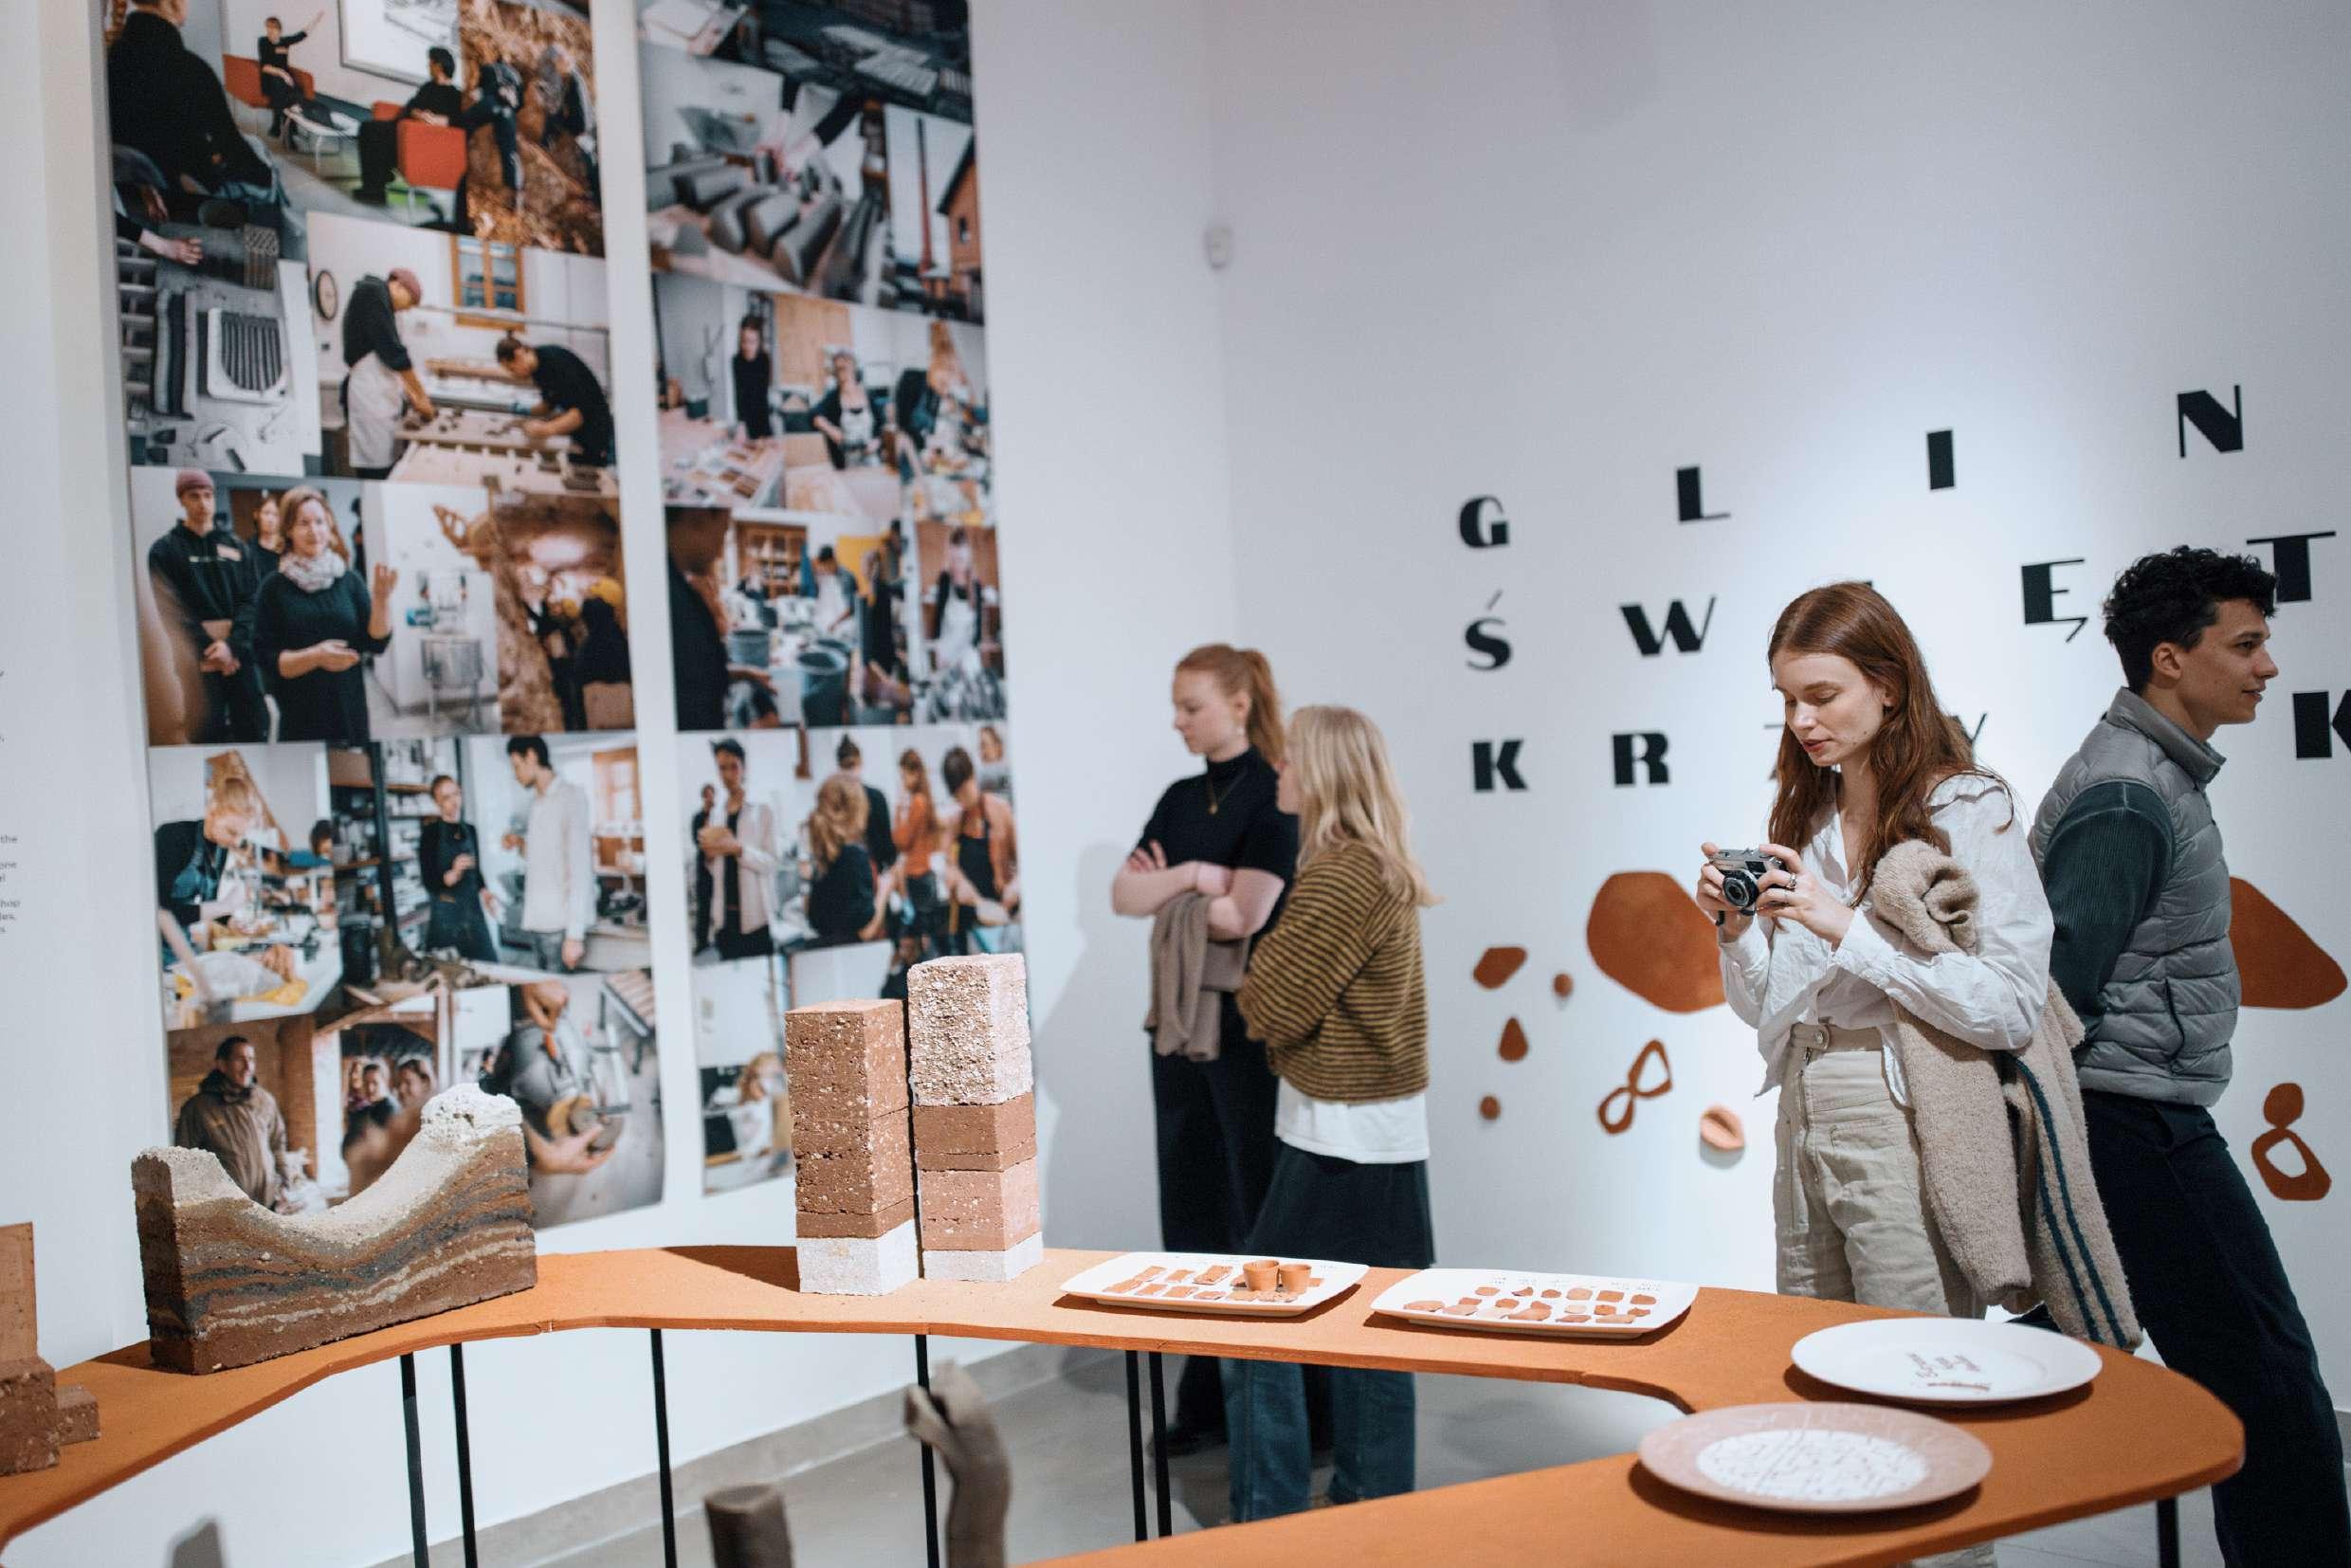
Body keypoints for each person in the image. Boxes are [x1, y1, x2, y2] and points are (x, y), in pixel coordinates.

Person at [1699, 584, 2050, 1568]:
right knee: (1818, 1375)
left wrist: (1843, 926)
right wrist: (1735, 930)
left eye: (1821, 695)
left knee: (1916, 1376)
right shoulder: (1810, 809)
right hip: (1805, 1094)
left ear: (1888, 686)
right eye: (1786, 700)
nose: (1800, 721)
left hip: (1903, 1104)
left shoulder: (1962, 805)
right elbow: (1772, 1008)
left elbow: (2010, 1004)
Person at [2032, 549, 2345, 1566]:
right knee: (2270, 1384)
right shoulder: (2129, 790)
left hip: (2143, 1113)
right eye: (2245, 644)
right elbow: (2059, 990)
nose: (2266, 666)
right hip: (2132, 1121)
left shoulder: (2157, 773)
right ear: (2169, 658)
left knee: (2251, 1375)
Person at [1227, 704, 1436, 1521]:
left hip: (1340, 1138)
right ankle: (1371, 1511)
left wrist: (1257, 981)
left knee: (1257, 1321)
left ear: (1319, 772)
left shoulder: (1344, 874)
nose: (1278, 772)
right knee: (1371, 1328)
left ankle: (1272, 1517)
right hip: (1372, 1134)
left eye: (1288, 761)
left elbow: (1271, 1001)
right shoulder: (1369, 864)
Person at [1109, 644, 1296, 1453]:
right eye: (1177, 707)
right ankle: (1206, 1407)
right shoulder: (1181, 799)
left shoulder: (1277, 790)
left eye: (1192, 707)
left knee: (1255, 1215)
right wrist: (1194, 873)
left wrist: (1177, 892)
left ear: (1239, 705)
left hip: (1247, 1032)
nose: (1178, 721)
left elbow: (1244, 916)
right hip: (1180, 1031)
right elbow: (1124, 894)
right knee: (1188, 1214)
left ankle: (1281, 1407)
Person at [252, 487, 395, 741]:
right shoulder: (273, 587)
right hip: (301, 717)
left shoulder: (349, 580)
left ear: (329, 525)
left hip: (350, 713)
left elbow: (376, 643)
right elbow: (267, 661)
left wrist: (381, 600)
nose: (314, 531)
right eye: (303, 523)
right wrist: (316, 657)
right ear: (288, 530)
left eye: (319, 521)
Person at [107, 0, 277, 207]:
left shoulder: (111, 57)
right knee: (266, 167)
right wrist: (266, 175)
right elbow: (234, 152)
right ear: (172, 2)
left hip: (129, 197)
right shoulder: (192, 70)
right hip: (186, 199)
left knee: (254, 144)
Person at [147, 469, 268, 743]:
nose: (203, 503)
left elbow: (252, 600)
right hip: (195, 658)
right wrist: (212, 649)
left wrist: (232, 646)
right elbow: (171, 611)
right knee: (205, 731)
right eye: (194, 496)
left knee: (253, 726)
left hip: (239, 656)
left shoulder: (237, 547)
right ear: (181, 500)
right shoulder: (164, 551)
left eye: (207, 495)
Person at [665, 507, 776, 732]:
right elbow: (692, 713)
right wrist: (750, 737)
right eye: (722, 534)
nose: (719, 553)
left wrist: (745, 673)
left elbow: (697, 673)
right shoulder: (671, 602)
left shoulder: (679, 587)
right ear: (698, 517)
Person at [502, 736, 591, 973]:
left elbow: (580, 869)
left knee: (557, 989)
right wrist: (520, 843)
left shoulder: (571, 796)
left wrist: (575, 935)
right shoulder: (536, 804)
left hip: (558, 927)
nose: (515, 774)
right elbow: (540, 858)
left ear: (532, 757)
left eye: (516, 766)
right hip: (536, 922)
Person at [173, 1035, 291, 1209]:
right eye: (239, 1060)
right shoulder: (198, 1108)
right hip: (226, 1213)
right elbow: (184, 1163)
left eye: (251, 1059)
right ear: (222, 1065)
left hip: (268, 1207)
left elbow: (277, 1144)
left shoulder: (264, 1100)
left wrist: (285, 1183)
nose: (248, 1067)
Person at [342, 269, 435, 480]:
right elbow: (395, 355)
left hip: (382, 398)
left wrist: (411, 395)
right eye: (410, 302)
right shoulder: (371, 291)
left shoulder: (383, 304)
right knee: (375, 469)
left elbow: (391, 360)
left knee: (388, 464)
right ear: (398, 285)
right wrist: (422, 398)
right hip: (370, 399)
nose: (408, 309)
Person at [697, 739, 778, 959]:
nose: (728, 774)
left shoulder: (762, 808)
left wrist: (739, 849)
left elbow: (772, 862)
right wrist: (710, 856)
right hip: (725, 918)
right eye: (722, 768)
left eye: (733, 767)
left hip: (756, 918)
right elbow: (715, 869)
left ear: (744, 767)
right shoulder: (717, 813)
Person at [355, 46, 462, 204]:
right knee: (368, 128)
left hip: (423, 139)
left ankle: (377, 185)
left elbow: (457, 120)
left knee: (375, 132)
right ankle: (375, 184)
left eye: (430, 63)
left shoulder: (455, 95)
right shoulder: (428, 87)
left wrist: (436, 120)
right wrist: (418, 114)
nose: (428, 66)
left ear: (439, 66)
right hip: (405, 129)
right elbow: (411, 106)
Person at [155, 775, 262, 932]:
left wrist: (232, 922)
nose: (237, 842)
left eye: (242, 835)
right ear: (212, 812)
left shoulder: (221, 849)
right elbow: (159, 911)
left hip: (182, 936)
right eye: (232, 832)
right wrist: (226, 905)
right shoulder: (172, 836)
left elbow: (209, 903)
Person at [497, 337, 616, 468]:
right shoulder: (538, 368)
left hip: (596, 430)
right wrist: (523, 415)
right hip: (578, 432)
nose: (514, 375)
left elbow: (580, 414)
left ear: (518, 354)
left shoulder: (556, 362)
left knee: (591, 472)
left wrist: (546, 429)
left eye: (512, 369)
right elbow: (548, 405)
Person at [418, 774, 500, 962]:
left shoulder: (470, 830)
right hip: (446, 917)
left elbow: (476, 872)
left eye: (456, 794)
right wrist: (452, 874)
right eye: (446, 797)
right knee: (448, 970)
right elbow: (429, 882)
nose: (454, 801)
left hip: (473, 913)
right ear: (437, 802)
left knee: (486, 965)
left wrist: (486, 893)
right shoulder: (429, 834)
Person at [941, 744, 1018, 942]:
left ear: (973, 776)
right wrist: (960, 884)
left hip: (1003, 911)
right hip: (973, 916)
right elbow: (948, 865)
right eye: (957, 795)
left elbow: (1023, 860)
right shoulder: (954, 822)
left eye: (965, 790)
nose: (963, 799)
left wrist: (1016, 886)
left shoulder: (1000, 809)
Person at [803, 775, 883, 945]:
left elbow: (814, 919)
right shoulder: (856, 858)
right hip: (851, 952)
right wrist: (886, 889)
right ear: (857, 811)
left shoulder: (823, 857)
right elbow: (865, 931)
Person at [455, 54, 526, 215]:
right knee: (509, 150)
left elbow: (481, 89)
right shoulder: (516, 75)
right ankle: (515, 194)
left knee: (465, 123)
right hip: (508, 111)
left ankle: (457, 157)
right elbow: (520, 103)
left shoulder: (488, 67)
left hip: (491, 103)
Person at [833, 737, 899, 892]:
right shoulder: (835, 801)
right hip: (856, 878)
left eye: (851, 766)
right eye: (847, 767)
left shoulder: (875, 799)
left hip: (863, 877)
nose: (851, 773)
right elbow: (888, 849)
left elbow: (888, 848)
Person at [533, 43, 597, 195]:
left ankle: (595, 189)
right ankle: (546, 144)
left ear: (565, 64)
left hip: (583, 125)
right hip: (578, 122)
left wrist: (582, 131)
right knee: (553, 116)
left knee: (588, 156)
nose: (557, 69)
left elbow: (582, 106)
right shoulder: (569, 78)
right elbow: (561, 101)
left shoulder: (575, 80)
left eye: (559, 65)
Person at [926, 527, 993, 672]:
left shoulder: (976, 585)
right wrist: (938, 649)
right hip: (946, 652)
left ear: (968, 559)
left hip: (968, 655)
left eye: (960, 560)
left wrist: (970, 653)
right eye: (953, 560)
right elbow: (938, 617)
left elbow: (977, 628)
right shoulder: (945, 580)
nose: (956, 565)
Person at [893, 748, 942, 923]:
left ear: (915, 774)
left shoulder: (918, 802)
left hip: (918, 875)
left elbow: (901, 841)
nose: (902, 782)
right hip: (922, 875)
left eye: (904, 776)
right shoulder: (923, 800)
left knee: (921, 928)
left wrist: (898, 809)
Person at [256, 11, 322, 141]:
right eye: (268, 28)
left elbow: (302, 35)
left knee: (293, 91)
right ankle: (286, 128)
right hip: (269, 78)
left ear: (279, 30)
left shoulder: (285, 42)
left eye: (273, 28)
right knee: (279, 84)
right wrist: (283, 74)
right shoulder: (263, 42)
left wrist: (316, 20)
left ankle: (281, 125)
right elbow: (265, 67)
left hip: (284, 80)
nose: (270, 31)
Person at [811, 350, 877, 468]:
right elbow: (814, 415)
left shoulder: (868, 395)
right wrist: (831, 430)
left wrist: (876, 442)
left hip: (871, 460)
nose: (842, 373)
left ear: (854, 368)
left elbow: (881, 426)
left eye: (845, 368)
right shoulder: (832, 398)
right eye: (838, 369)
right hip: (845, 463)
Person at [730, 316, 775, 441]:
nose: (747, 346)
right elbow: (739, 394)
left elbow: (762, 397)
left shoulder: (764, 360)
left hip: (762, 418)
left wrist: (765, 434)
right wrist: (741, 424)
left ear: (759, 341)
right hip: (744, 420)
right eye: (744, 341)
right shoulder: (736, 361)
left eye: (752, 342)